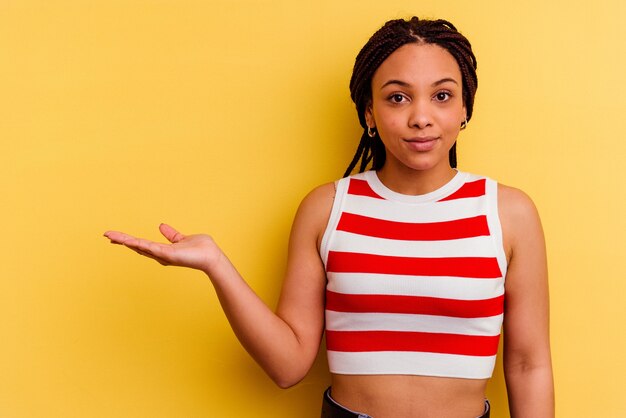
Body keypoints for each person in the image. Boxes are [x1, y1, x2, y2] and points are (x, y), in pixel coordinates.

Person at [104, 17, 554, 418]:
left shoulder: (508, 213)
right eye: (398, 97)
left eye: (441, 96)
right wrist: (216, 265)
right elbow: (288, 365)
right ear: (369, 113)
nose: (421, 117)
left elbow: (528, 364)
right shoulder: (327, 208)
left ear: (464, 109)